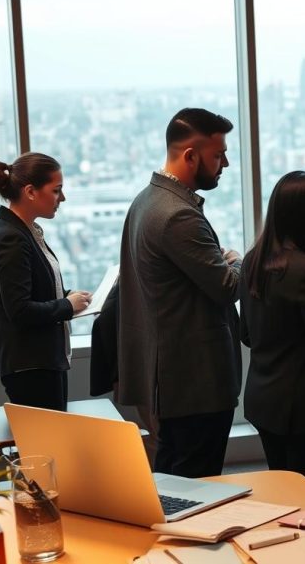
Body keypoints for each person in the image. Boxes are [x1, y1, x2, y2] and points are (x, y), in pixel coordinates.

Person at [117, 108, 243, 478]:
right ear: (190, 155)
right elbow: (228, 287)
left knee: (175, 483)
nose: (226, 163)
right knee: (197, 491)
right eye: (218, 155)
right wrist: (239, 261)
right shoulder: (178, 215)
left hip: (170, 378)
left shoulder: (146, 200)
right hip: (196, 381)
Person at [239, 171, 305, 491]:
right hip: (302, 406)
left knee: (282, 489)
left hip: (263, 400)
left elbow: (247, 335)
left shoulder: (253, 260)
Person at [0, 152, 92, 411]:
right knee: (48, 445)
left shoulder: (23, 230)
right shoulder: (11, 238)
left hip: (38, 361)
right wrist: (66, 305)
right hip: (30, 365)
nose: (62, 199)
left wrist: (70, 297)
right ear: (30, 191)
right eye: (56, 191)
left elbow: (33, 288)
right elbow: (19, 309)